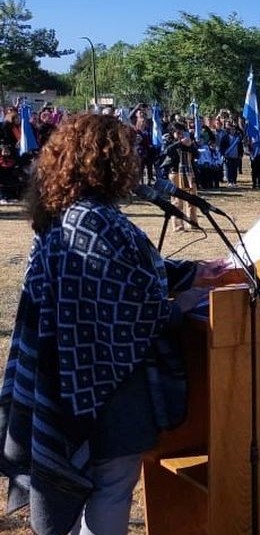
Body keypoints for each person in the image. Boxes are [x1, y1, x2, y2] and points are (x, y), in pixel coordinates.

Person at [0, 114, 227, 535]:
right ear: (107, 160)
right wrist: (182, 305)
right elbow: (137, 307)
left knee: (79, 482)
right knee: (111, 486)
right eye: (129, 154)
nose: (135, 162)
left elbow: (126, 273)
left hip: (63, 375)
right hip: (105, 382)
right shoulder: (99, 221)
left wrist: (194, 272)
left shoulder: (60, 214)